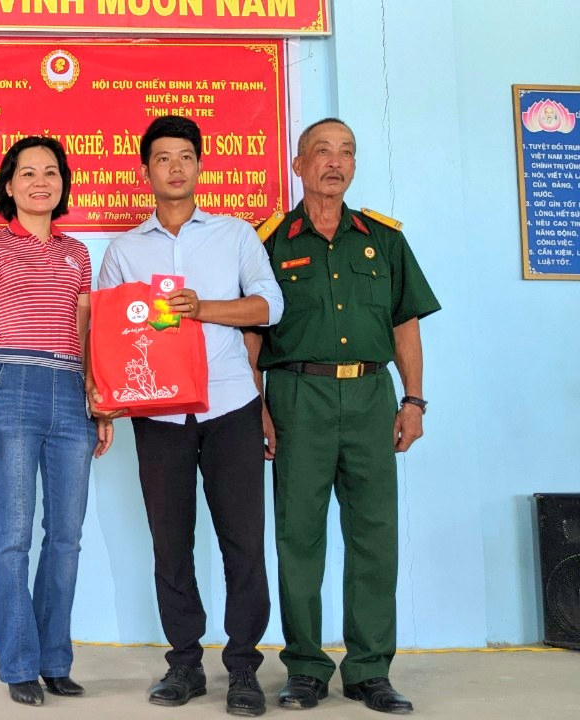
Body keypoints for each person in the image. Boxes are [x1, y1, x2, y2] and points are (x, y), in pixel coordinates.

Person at [249, 118, 440, 714]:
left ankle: (369, 670)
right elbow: (251, 333)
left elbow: (405, 323)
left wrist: (413, 400)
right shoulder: (269, 242)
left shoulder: (384, 240)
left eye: (346, 153)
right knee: (297, 537)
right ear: (298, 163)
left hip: (370, 398)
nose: (335, 162)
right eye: (322, 151)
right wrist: (258, 407)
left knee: (374, 536)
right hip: (296, 396)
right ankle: (305, 668)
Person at [94, 115, 283, 717]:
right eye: (162, 158)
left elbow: (269, 305)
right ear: (145, 171)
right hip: (159, 413)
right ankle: (184, 664)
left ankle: (244, 667)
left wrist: (202, 308)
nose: (175, 167)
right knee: (170, 542)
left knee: (243, 542)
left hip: (231, 406)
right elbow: (108, 332)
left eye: (185, 156)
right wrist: (104, 396)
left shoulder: (234, 236)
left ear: (200, 165)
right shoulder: (124, 250)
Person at [0, 135, 114, 706]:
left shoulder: (78, 254)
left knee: (67, 537)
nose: (40, 182)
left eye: (51, 172)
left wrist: (100, 401)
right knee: (14, 535)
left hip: (71, 392)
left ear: (63, 184)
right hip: (13, 387)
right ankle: (19, 663)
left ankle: (54, 661)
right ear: (9, 184)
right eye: (27, 173)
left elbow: (85, 334)